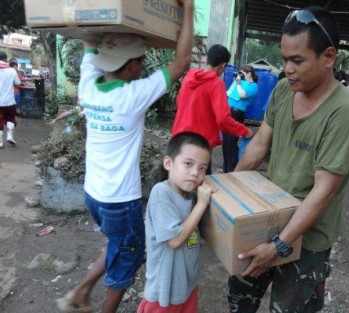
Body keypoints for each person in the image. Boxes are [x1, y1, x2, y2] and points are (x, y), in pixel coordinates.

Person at [55, 1, 194, 312]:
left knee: (117, 243)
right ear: (133, 65)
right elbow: (183, 60)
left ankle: (80, 292)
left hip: (93, 195)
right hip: (119, 200)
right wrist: (188, 7)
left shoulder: (88, 85)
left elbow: (89, 41)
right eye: (141, 62)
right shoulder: (133, 96)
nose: (143, 68)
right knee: (130, 256)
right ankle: (88, 297)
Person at [227, 7, 349, 312]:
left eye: (297, 60)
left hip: (307, 239)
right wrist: (227, 194)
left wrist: (279, 245)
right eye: (284, 60)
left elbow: (323, 190)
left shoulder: (345, 114)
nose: (287, 69)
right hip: (267, 216)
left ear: (329, 57)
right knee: (240, 300)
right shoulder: (282, 91)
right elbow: (259, 145)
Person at [138, 132, 214, 313]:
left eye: (203, 168)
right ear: (168, 163)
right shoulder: (161, 193)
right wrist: (202, 204)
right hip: (165, 291)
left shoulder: (191, 195)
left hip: (187, 284)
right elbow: (175, 240)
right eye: (188, 164)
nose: (195, 173)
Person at [171, 44, 253, 174]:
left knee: (179, 182)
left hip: (179, 141)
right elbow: (222, 119)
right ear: (223, 66)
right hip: (200, 146)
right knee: (199, 186)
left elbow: (179, 101)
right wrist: (244, 131)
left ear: (207, 59)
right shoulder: (216, 84)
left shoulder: (189, 77)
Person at [222, 65, 258, 172]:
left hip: (237, 113)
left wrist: (237, 83)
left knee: (232, 141)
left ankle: (233, 169)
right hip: (228, 111)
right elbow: (227, 93)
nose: (240, 75)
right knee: (226, 142)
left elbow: (243, 95)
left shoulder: (253, 86)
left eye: (242, 73)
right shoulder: (239, 82)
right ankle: (226, 168)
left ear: (249, 73)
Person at [0, 51, 21, 148]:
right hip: (9, 101)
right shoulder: (12, 70)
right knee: (10, 118)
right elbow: (18, 83)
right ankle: (9, 136)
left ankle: (0, 142)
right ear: (5, 59)